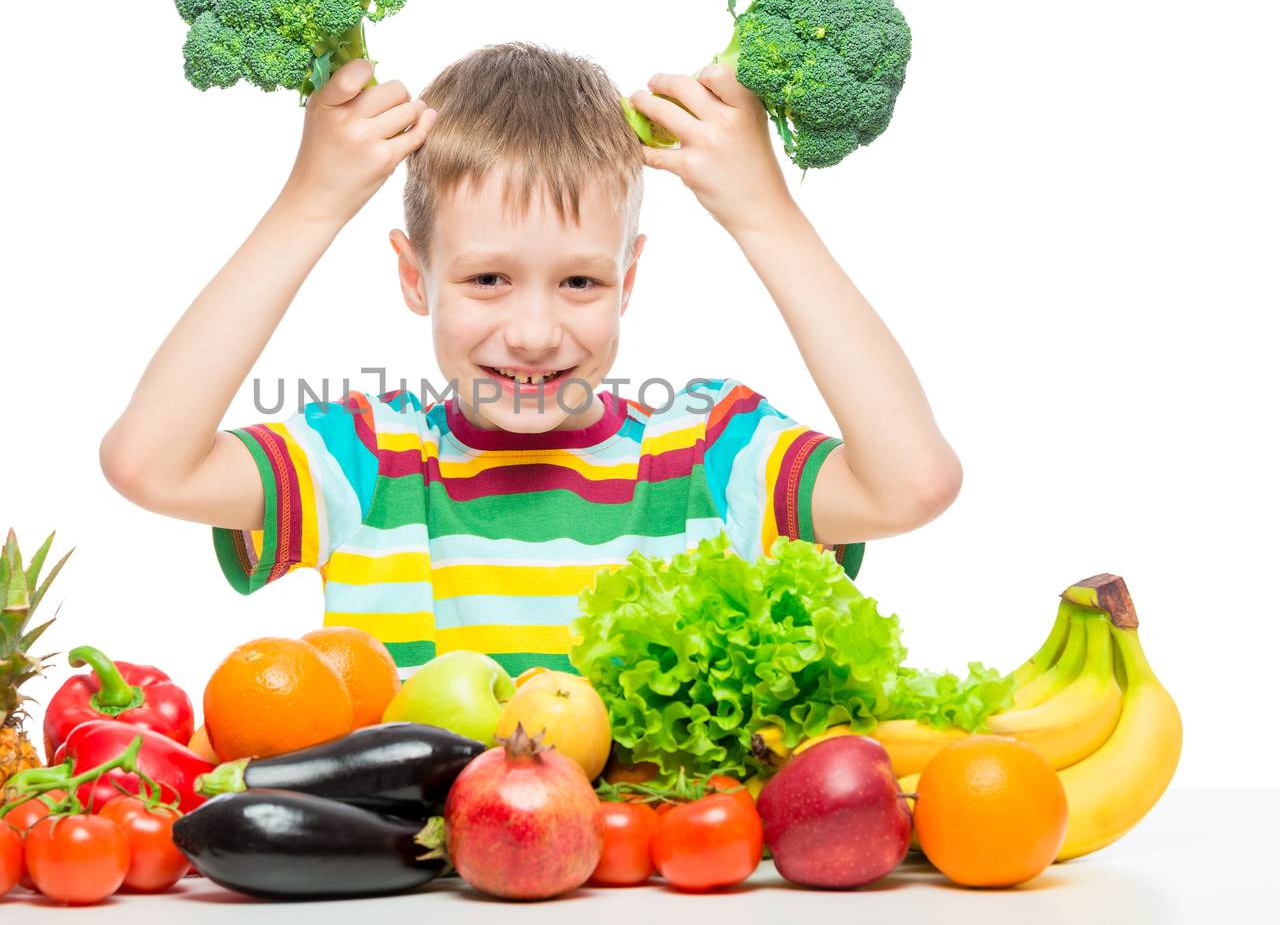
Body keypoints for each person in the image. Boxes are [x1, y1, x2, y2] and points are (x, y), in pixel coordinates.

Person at [100, 42, 960, 677]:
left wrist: (768, 216)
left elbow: (911, 484)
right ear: (414, 276)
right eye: (488, 279)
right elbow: (150, 465)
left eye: (580, 280)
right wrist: (308, 206)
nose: (536, 331)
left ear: (629, 280)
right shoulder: (368, 460)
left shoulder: (707, 451)